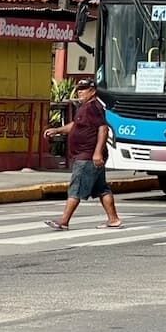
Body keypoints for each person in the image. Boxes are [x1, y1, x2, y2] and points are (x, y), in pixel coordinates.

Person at [42, 79, 122, 230]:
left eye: (84, 89)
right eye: (79, 89)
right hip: (88, 155)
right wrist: (58, 130)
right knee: (102, 189)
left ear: (92, 91)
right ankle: (113, 219)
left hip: (87, 156)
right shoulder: (86, 107)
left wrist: (97, 152)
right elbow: (76, 125)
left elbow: (103, 129)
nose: (80, 92)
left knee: (75, 189)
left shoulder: (92, 107)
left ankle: (64, 221)